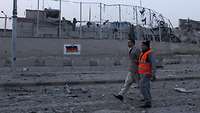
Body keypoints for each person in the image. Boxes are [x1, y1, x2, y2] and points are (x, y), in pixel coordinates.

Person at [113, 36, 141, 101]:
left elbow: (141, 59)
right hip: (131, 70)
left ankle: (145, 97)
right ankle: (120, 95)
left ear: (133, 43)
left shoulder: (136, 50)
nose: (128, 44)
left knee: (140, 84)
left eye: (129, 42)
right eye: (128, 42)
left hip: (136, 70)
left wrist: (136, 62)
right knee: (127, 83)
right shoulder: (131, 49)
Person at [138, 41, 156, 108]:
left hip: (147, 73)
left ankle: (148, 102)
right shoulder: (143, 53)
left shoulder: (150, 53)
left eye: (142, 46)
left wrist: (153, 74)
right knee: (146, 87)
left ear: (146, 46)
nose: (141, 47)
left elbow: (153, 64)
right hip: (142, 73)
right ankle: (148, 99)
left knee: (142, 87)